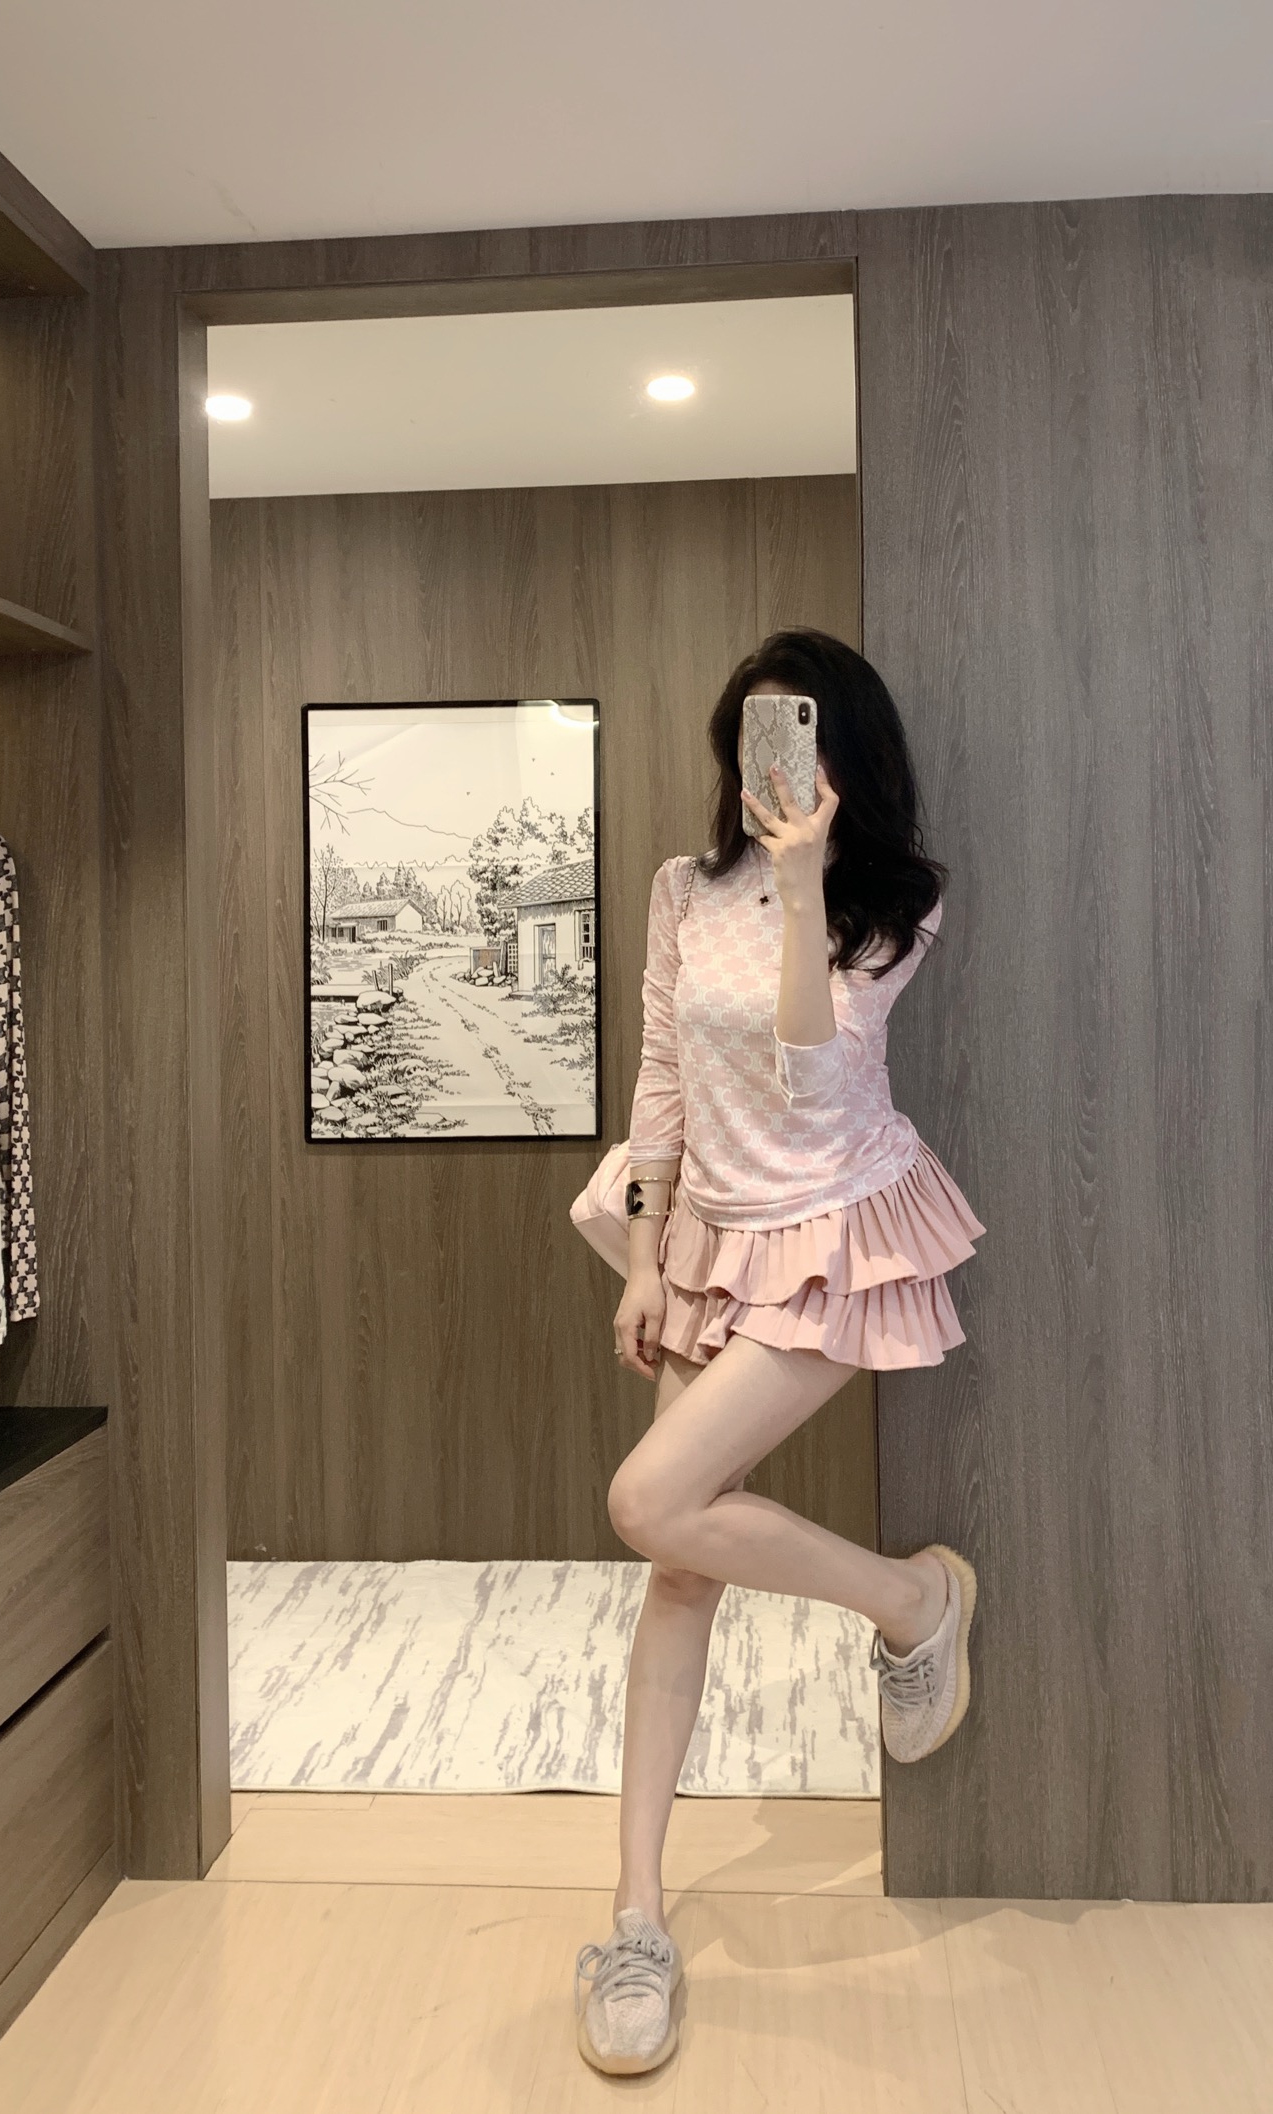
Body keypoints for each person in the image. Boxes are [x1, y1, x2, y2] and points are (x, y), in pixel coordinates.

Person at [572, 630, 986, 2078]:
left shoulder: (894, 902)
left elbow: (814, 1065)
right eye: (751, 736)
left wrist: (807, 879)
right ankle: (636, 1917)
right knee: (678, 1561)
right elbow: (660, 1080)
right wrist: (644, 1257)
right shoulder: (682, 889)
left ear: (844, 750)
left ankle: (913, 1600)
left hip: (835, 1232)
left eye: (797, 733)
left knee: (647, 1501)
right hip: (709, 1235)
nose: (770, 764)